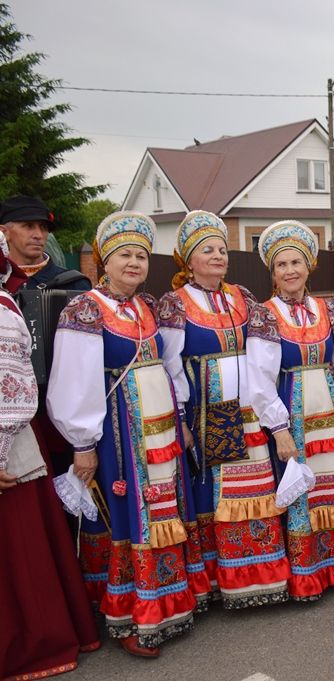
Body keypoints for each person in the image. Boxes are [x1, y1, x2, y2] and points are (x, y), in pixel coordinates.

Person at [48, 212, 205, 657]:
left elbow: (166, 366)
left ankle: (171, 600)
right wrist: (82, 443)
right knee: (129, 518)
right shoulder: (85, 309)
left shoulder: (145, 306)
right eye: (123, 255)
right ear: (103, 261)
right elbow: (73, 380)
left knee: (160, 511)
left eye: (140, 255)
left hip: (160, 432)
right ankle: (132, 616)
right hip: (119, 434)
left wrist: (179, 417)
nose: (134, 263)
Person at [157, 210, 290, 609]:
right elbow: (170, 365)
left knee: (257, 489)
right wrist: (181, 418)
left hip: (248, 408)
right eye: (207, 250)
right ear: (188, 260)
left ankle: (262, 576)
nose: (218, 256)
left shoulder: (242, 297)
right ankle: (221, 579)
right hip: (210, 411)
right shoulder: (174, 304)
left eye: (221, 249)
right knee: (218, 496)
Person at [247, 220, 334, 597]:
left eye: (296, 263)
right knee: (306, 489)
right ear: (273, 274)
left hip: (329, 410)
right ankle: (311, 573)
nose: (290, 271)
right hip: (295, 410)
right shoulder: (264, 314)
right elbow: (259, 379)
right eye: (281, 265)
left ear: (309, 266)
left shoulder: (326, 310)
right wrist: (278, 429)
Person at [0, 231, 99, 678]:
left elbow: (13, 388)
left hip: (7, 442)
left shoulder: (4, 309)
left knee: (18, 550)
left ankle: (30, 640)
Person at [0, 196, 91, 292]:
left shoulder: (74, 284)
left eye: (43, 227)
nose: (39, 235)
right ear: (4, 233)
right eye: (29, 226)